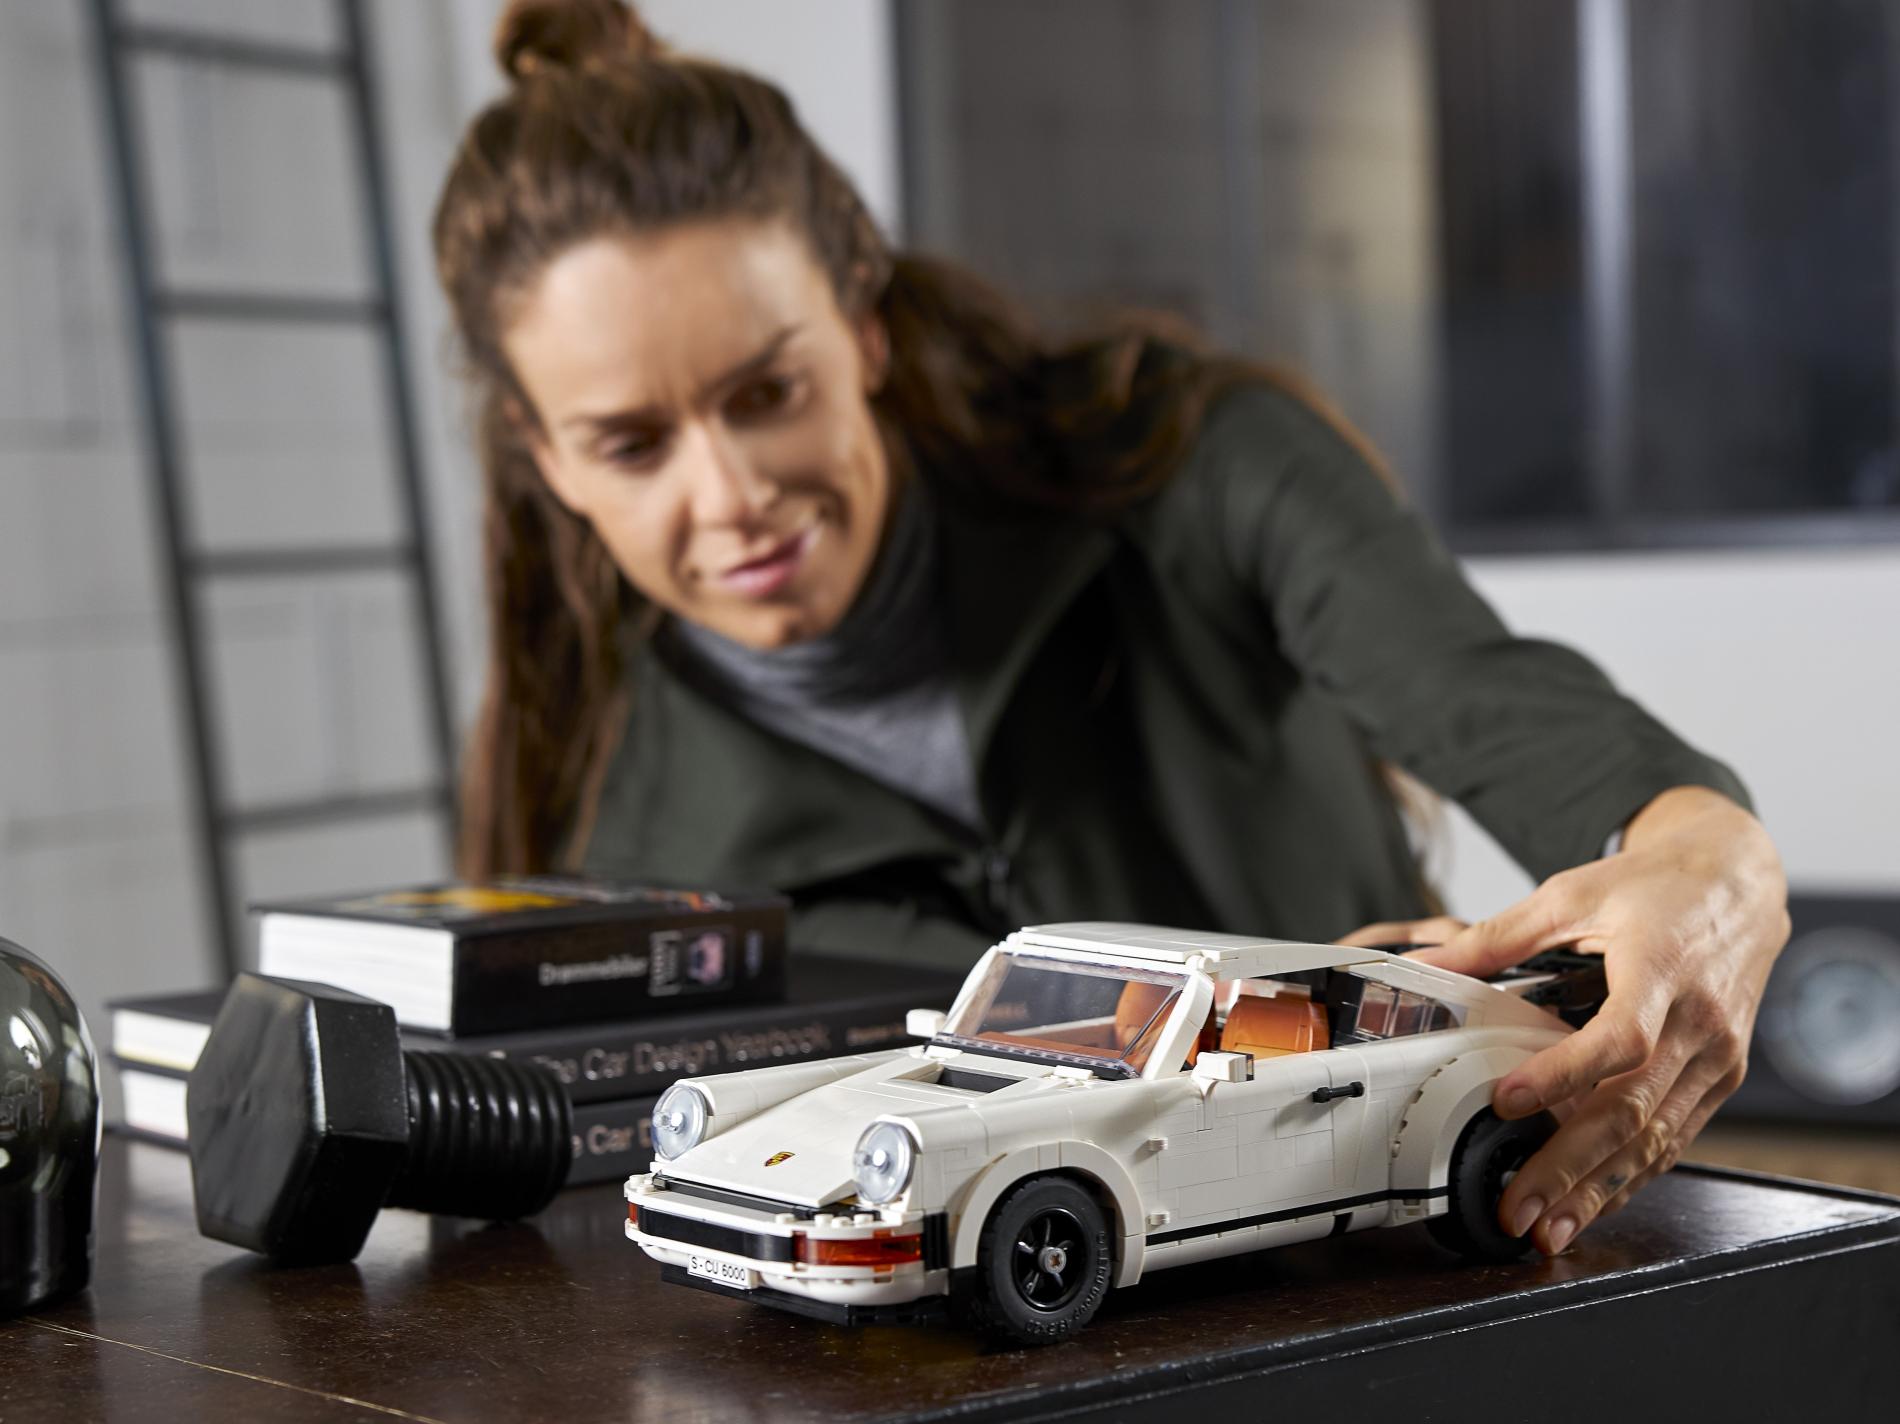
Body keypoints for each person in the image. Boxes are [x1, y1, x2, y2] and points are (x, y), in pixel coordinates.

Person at [430, 0, 1789, 1261]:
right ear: (546, 459)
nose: (730, 496)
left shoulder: (1198, 460)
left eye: (769, 391)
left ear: (863, 326)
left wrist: (1707, 861)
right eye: (631, 444)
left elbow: (1498, 704)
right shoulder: (614, 852)